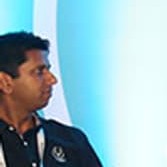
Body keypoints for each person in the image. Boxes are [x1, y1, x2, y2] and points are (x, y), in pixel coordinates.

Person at [0, 31, 103, 167]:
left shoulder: (71, 141)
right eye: (39, 72)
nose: (52, 80)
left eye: (48, 70)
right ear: (5, 82)